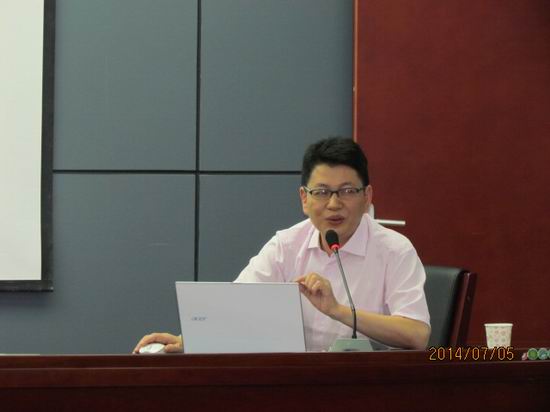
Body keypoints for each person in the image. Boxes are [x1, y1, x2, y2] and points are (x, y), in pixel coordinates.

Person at [134, 137, 430, 353]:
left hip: (369, 388)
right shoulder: (286, 245)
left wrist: (339, 311)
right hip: (295, 386)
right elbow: (236, 306)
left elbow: (417, 334)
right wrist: (187, 340)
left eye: (347, 191)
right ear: (304, 199)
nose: (334, 204)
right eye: (322, 192)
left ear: (367, 197)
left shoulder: (395, 250)